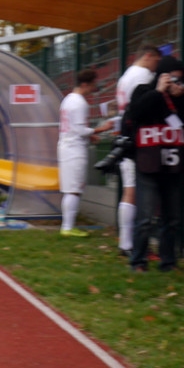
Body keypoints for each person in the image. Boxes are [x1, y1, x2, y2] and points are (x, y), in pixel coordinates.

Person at [123, 55, 184, 272]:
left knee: (173, 218)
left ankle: (168, 261)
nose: (177, 83)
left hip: (173, 164)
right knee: (145, 217)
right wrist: (158, 92)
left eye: (180, 79)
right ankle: (138, 261)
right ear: (161, 76)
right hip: (148, 162)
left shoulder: (181, 97)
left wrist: (178, 98)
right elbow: (137, 111)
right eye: (173, 78)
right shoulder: (143, 91)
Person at [113, 45, 162, 254]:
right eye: (156, 62)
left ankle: (125, 241)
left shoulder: (125, 76)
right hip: (139, 137)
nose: (156, 68)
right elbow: (145, 105)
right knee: (135, 193)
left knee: (129, 192)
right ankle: (129, 244)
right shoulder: (143, 75)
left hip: (125, 134)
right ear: (149, 56)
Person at [58, 69, 114, 236]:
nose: (93, 89)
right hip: (74, 149)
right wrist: (100, 129)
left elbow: (73, 128)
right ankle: (68, 227)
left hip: (66, 146)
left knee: (70, 188)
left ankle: (67, 226)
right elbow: (80, 130)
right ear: (84, 84)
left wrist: (91, 136)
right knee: (74, 189)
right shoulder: (80, 103)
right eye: (92, 85)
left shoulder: (68, 99)